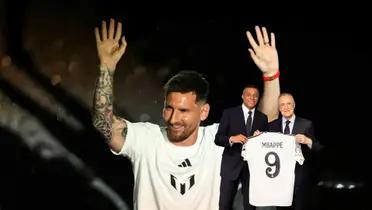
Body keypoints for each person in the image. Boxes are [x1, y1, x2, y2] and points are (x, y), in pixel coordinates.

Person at [92, 18, 280, 210]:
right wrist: (106, 67)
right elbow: (103, 123)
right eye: (169, 108)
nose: (173, 119)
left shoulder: (219, 142)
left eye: (183, 111)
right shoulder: (146, 140)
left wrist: (271, 74)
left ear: (203, 112)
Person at [214, 84, 268, 210]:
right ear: (242, 96)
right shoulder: (229, 113)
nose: (252, 98)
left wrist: (261, 138)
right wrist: (232, 139)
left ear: (258, 98)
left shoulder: (262, 118)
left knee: (250, 206)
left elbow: (265, 145)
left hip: (252, 169)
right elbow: (218, 138)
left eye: (255, 95)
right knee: (225, 205)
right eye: (249, 95)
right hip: (230, 166)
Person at [268, 93, 321, 210]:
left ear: (294, 105)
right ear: (279, 107)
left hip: (299, 178)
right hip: (279, 178)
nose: (286, 107)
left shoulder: (306, 124)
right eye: (282, 104)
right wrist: (258, 136)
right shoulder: (271, 126)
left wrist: (308, 140)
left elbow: (318, 148)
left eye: (288, 104)